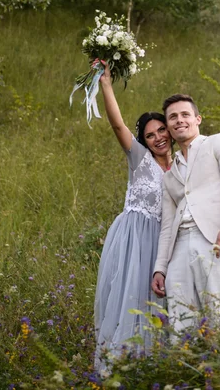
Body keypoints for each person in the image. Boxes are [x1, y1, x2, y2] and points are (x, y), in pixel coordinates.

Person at [94, 63, 173, 371]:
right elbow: (117, 126)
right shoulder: (140, 160)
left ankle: (151, 364)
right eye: (150, 135)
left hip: (163, 243)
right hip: (134, 239)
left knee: (157, 305)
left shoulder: (181, 165)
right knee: (130, 299)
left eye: (162, 130)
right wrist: (106, 85)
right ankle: (119, 366)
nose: (158, 138)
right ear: (144, 140)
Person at [151, 94, 220, 333]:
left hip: (214, 240)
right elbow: (167, 225)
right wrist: (160, 268)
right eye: (172, 117)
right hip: (178, 250)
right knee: (180, 320)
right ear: (169, 127)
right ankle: (188, 367)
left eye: (185, 114)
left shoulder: (218, 142)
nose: (179, 120)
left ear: (197, 119)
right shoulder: (169, 174)